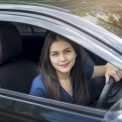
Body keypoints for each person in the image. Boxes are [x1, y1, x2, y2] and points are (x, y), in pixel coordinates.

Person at [30, 32, 122, 105]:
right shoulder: (40, 86)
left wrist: (111, 67)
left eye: (67, 51)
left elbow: (107, 67)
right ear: (49, 58)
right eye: (55, 54)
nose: (62, 59)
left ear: (76, 53)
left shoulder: (79, 72)